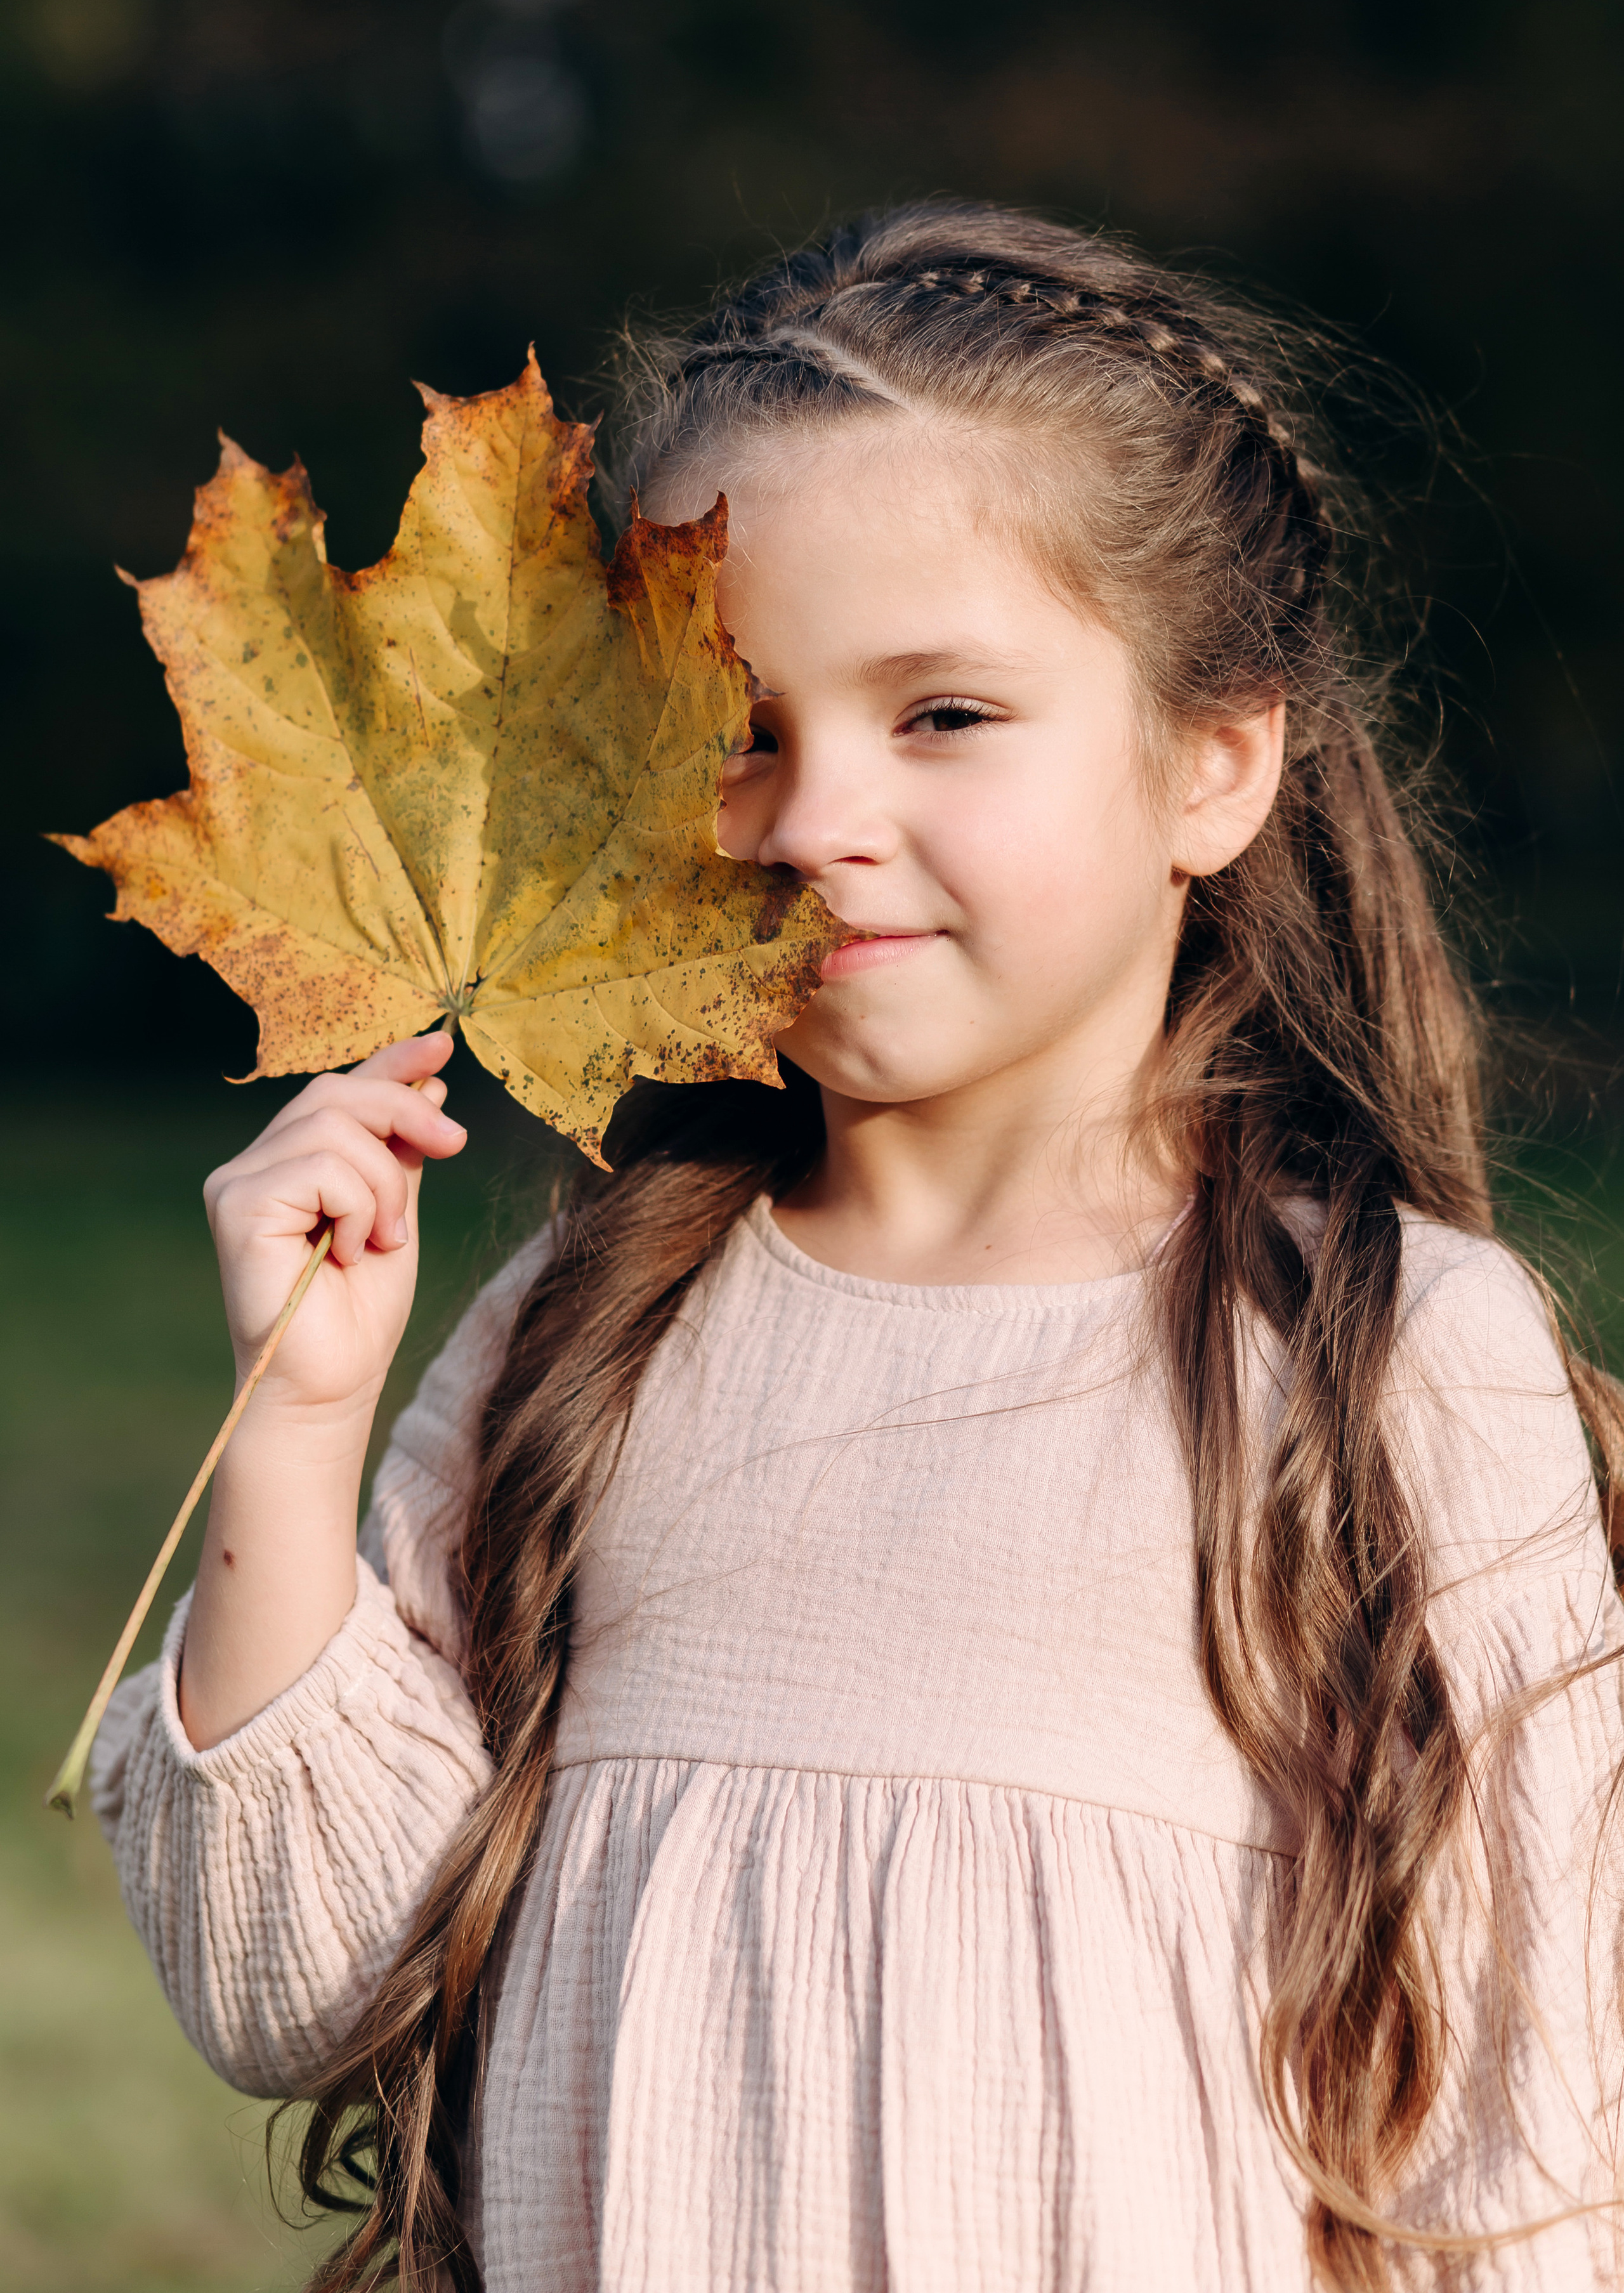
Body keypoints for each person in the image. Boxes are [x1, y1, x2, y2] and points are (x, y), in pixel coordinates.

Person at [93, 202, 1624, 2293]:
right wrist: (298, 1419)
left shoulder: (1384, 1362)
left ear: (1214, 760)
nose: (813, 817)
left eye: (945, 717)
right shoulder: (595, 1336)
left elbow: (1545, 2147)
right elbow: (303, 1990)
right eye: (736, 727)